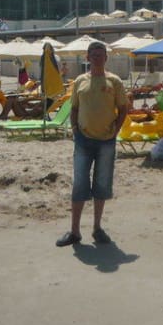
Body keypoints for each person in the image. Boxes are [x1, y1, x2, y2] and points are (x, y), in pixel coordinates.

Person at [57, 41, 128, 247]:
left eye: (100, 55)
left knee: (102, 184)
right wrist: (75, 129)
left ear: (106, 58)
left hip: (106, 141)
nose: (97, 58)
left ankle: (97, 228)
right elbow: (74, 108)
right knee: (79, 184)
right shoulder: (80, 81)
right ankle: (75, 231)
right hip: (83, 140)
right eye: (94, 55)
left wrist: (116, 130)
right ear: (87, 58)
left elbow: (123, 108)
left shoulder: (114, 81)